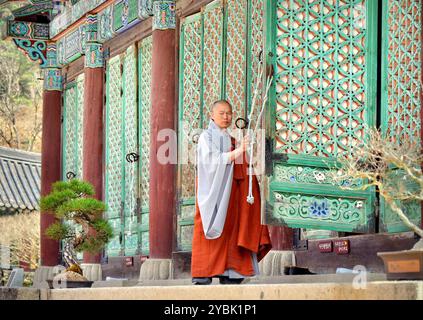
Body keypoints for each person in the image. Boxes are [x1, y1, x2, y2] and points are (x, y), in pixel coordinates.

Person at [191, 99, 272, 285]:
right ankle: (203, 273)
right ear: (211, 115)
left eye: (229, 113)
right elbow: (212, 161)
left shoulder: (232, 140)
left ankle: (231, 272)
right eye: (222, 113)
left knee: (233, 232)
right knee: (209, 231)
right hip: (213, 193)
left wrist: (244, 152)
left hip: (232, 194)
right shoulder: (206, 137)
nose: (226, 117)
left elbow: (244, 166)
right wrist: (239, 151)